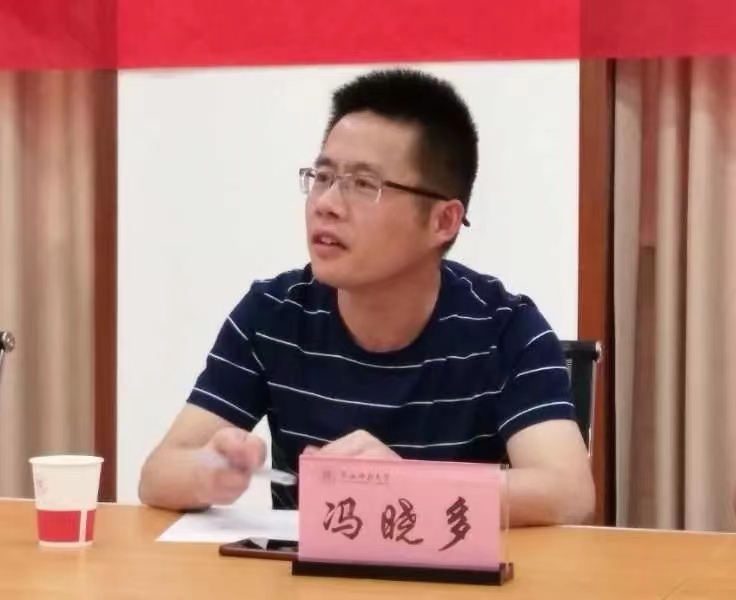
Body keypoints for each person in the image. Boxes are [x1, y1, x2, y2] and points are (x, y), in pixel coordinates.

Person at [138, 68, 595, 527]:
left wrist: (408, 485)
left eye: (363, 185)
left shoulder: (506, 328)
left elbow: (568, 492)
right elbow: (158, 474)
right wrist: (209, 472)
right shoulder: (274, 314)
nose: (326, 204)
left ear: (443, 221)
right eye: (323, 176)